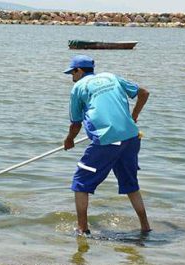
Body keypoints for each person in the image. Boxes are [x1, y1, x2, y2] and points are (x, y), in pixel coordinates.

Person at [63, 55, 151, 236]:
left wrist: (69, 140)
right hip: (131, 137)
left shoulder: (78, 87)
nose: (71, 76)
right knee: (131, 183)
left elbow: (76, 124)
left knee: (80, 182)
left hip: (107, 140)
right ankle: (145, 227)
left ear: (79, 70)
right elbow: (144, 93)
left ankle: (82, 229)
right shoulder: (112, 77)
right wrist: (133, 117)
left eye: (72, 72)